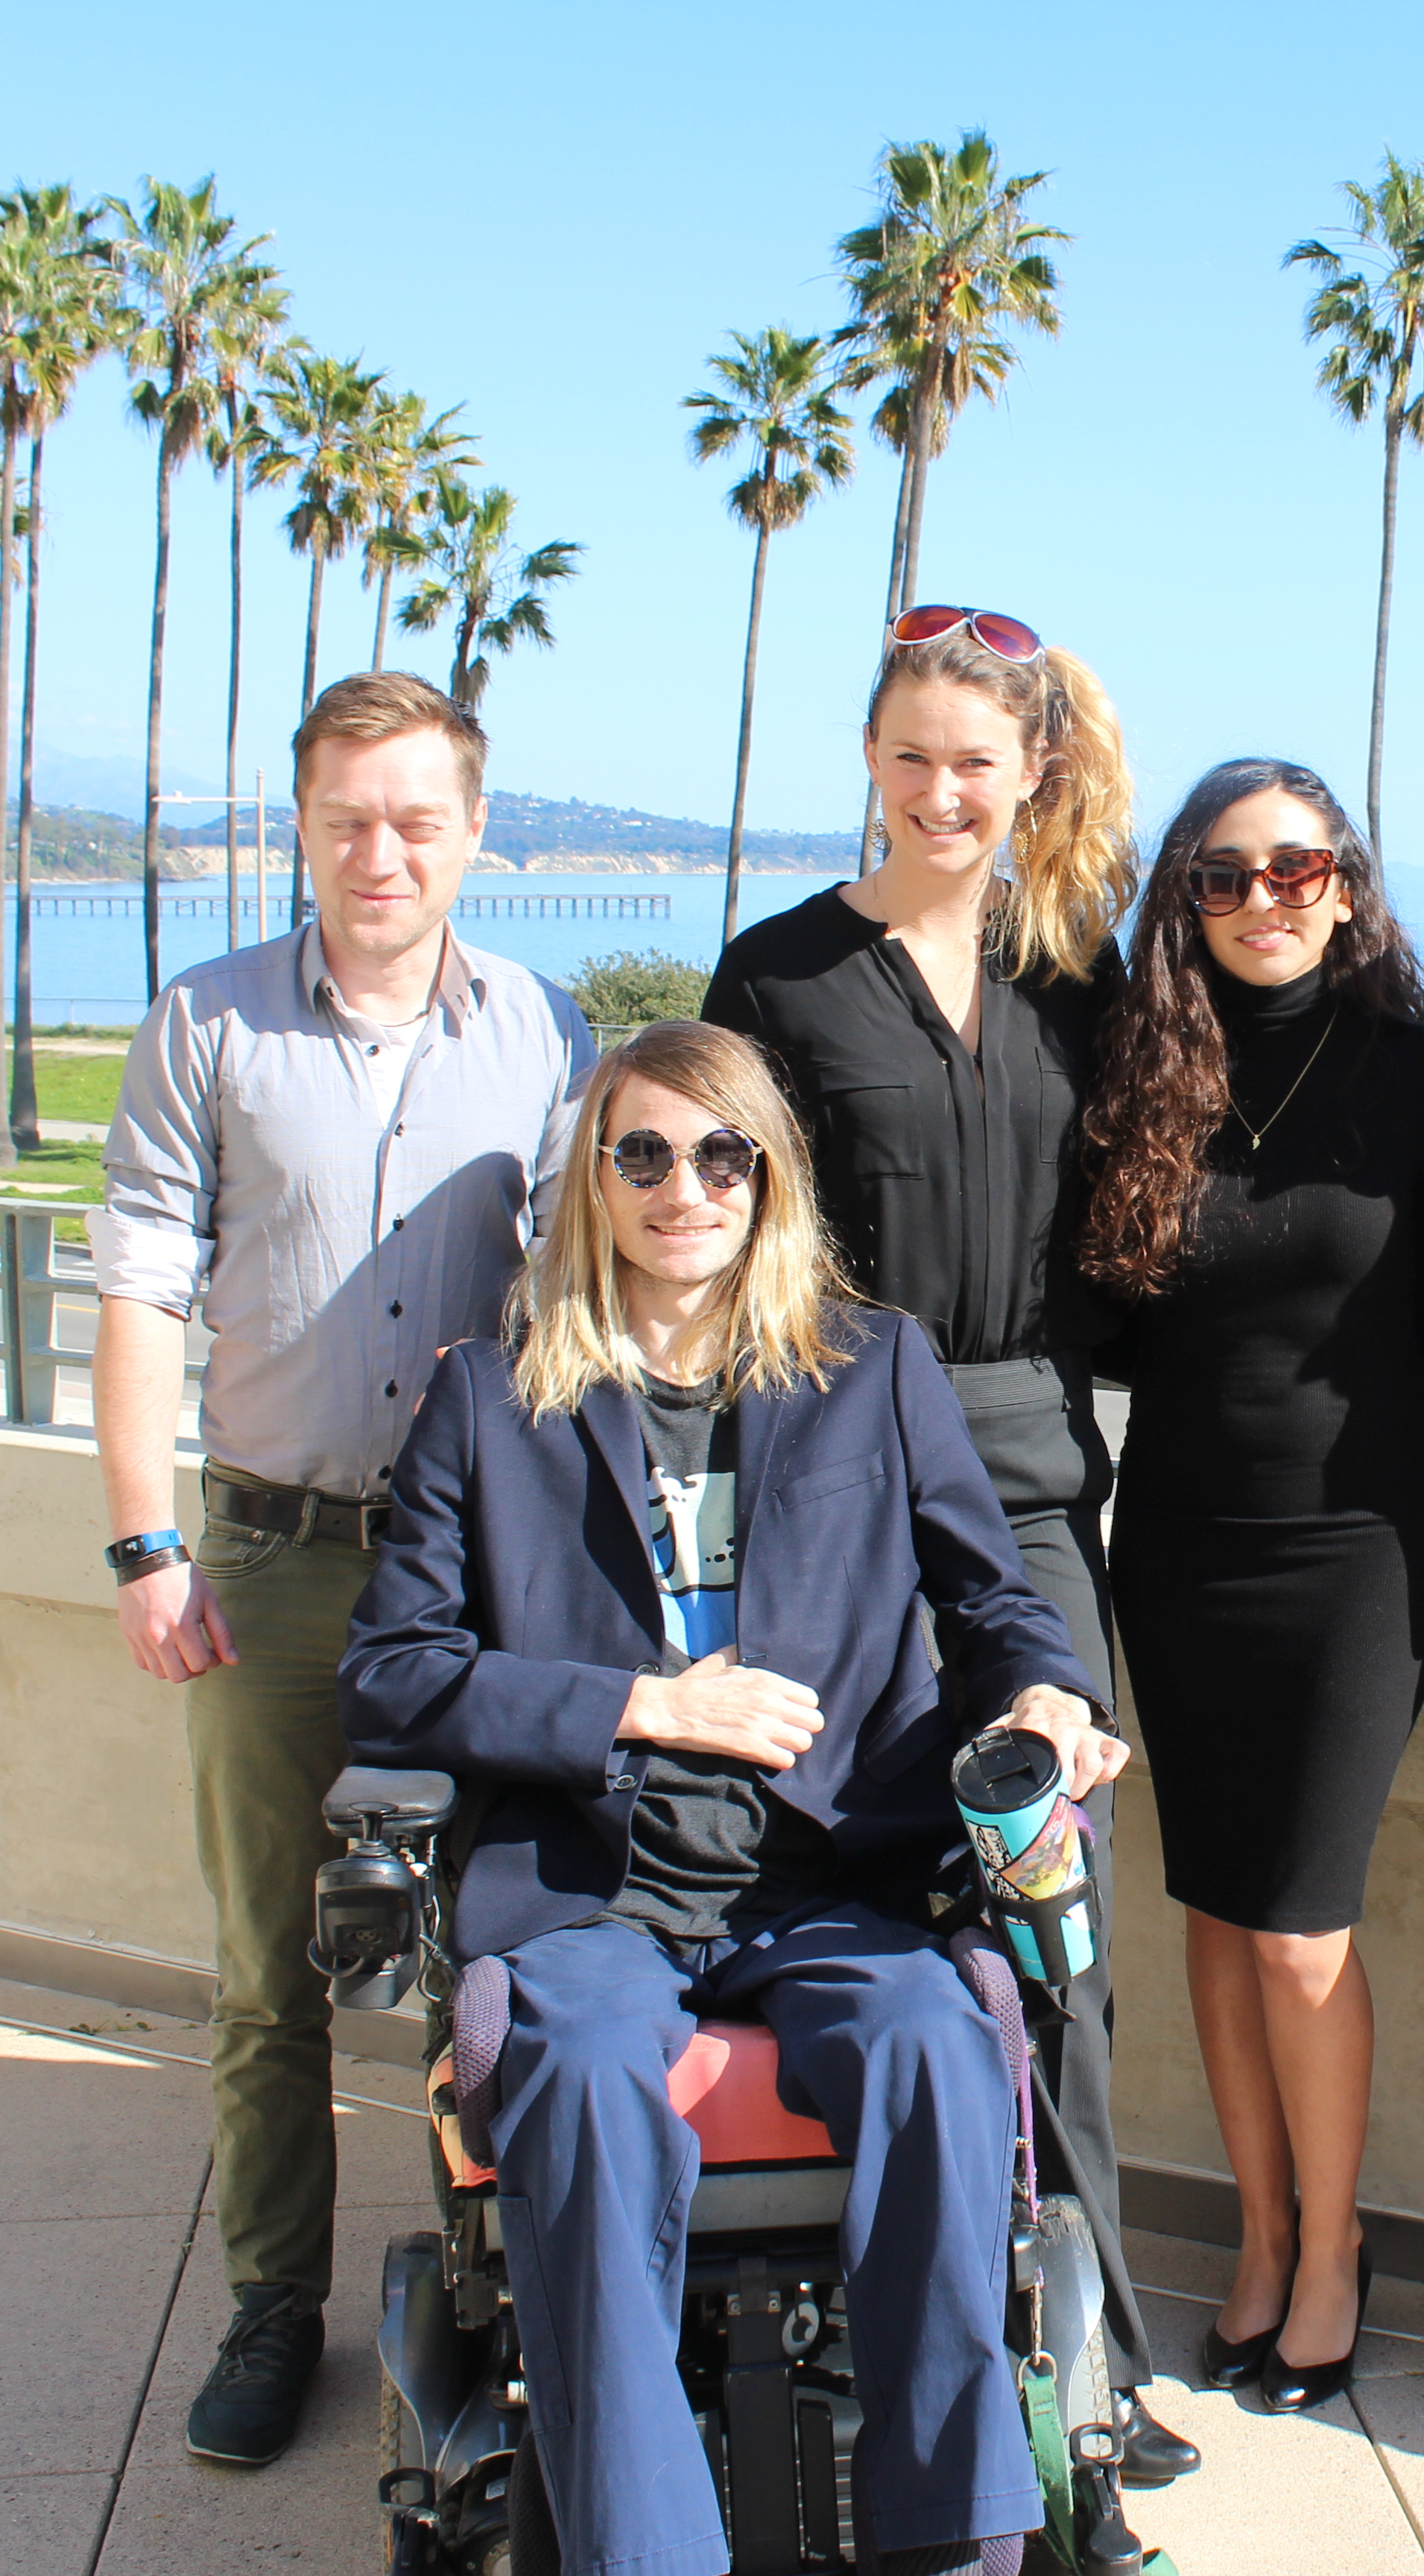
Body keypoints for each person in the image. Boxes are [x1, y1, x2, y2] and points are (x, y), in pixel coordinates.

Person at [341, 1019, 1121, 2576]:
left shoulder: (869, 1366)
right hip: (594, 1883)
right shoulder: (491, 1398)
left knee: (933, 2048)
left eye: (721, 1153)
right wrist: (641, 1704)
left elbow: (992, 1598)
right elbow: (394, 1671)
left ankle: (957, 2544)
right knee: (584, 2079)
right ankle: (646, 2552)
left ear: (769, 1177)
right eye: (644, 1153)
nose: (682, 1186)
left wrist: (1050, 1690)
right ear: (597, 1178)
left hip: (831, 1870)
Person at [698, 603, 1192, 2482]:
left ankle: (1091, 2359)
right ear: (870, 757)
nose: (940, 790)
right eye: (910, 755)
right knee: (840, 1873)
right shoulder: (780, 974)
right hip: (835, 1469)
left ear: (1029, 773)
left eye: (976, 759)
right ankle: (859, 2296)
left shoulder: (1077, 968)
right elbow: (731, 1243)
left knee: (1051, 1903)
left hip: (1039, 1479)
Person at [89, 671, 592, 2467]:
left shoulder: (542, 1028)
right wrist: (150, 1540)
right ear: (298, 823)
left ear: (471, 830)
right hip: (276, 1561)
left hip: (477, 1579)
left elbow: (581, 1299)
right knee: (266, 1969)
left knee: (509, 1949)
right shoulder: (206, 1023)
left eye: (413, 816)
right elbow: (141, 1288)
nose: (378, 850)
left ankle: (516, 2286)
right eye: (344, 816)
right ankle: (266, 2309)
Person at [1077, 758, 1424, 2416]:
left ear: (1347, 884)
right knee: (1218, 1920)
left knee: (1303, 1929)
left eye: (1296, 868)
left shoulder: (1418, 1077)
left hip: (1354, 1556)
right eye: (1224, 876)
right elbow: (1093, 1320)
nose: (1263, 900)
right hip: (1176, 1544)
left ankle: (1335, 2253)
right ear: (1182, 899)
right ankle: (1256, 2237)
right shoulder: (1133, 1076)